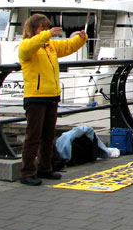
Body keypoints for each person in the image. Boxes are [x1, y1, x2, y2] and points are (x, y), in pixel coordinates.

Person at [18, 14, 88, 186]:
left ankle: (45, 167)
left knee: (48, 136)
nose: (45, 30)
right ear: (33, 29)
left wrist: (81, 38)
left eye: (46, 27)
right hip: (35, 97)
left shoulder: (49, 46)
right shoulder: (27, 45)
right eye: (41, 27)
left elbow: (67, 46)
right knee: (33, 136)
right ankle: (27, 172)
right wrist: (47, 34)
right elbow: (28, 48)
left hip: (51, 95)